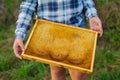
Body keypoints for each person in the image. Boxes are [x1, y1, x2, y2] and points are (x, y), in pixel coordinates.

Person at [13, 0, 103, 80]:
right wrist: (20, 34)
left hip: (76, 30)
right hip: (50, 34)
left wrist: (92, 16)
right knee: (57, 71)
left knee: (79, 74)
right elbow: (28, 5)